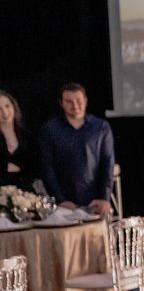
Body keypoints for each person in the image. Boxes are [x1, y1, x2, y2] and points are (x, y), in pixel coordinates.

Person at [39, 83, 114, 216]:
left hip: (95, 202)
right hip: (64, 205)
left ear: (85, 101)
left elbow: (107, 164)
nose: (75, 106)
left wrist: (104, 198)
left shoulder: (101, 127)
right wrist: (60, 200)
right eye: (69, 101)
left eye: (78, 101)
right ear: (61, 103)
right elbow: (47, 167)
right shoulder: (50, 130)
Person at [0, 91, 36, 189]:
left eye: (7, 106)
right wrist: (5, 167)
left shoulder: (26, 135)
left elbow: (34, 167)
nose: (5, 112)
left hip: (24, 190)